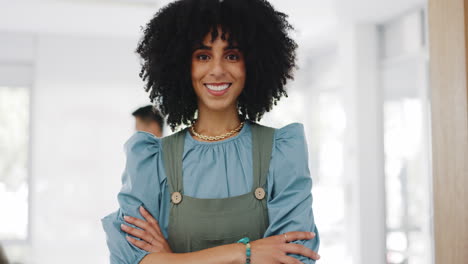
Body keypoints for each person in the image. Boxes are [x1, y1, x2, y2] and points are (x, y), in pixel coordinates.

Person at [101, 0, 320, 263]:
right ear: (182, 65)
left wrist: (170, 259)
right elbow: (128, 259)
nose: (217, 70)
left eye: (232, 56)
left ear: (252, 63)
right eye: (203, 56)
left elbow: (296, 258)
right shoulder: (151, 160)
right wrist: (246, 252)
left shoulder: (282, 152)